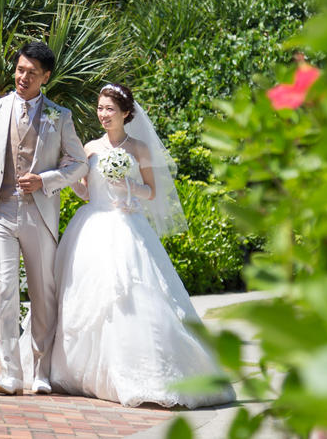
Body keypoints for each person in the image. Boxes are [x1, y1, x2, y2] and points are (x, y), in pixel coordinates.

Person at [48, 83, 236, 408]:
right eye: (100, 108)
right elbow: (84, 191)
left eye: (109, 109)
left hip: (127, 225)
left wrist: (129, 185)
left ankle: (149, 375)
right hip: (92, 225)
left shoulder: (139, 149)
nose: (103, 114)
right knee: (86, 299)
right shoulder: (89, 147)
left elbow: (153, 192)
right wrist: (75, 186)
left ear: (126, 113)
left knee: (136, 298)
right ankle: (81, 374)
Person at [0, 41, 88, 395]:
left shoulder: (60, 116)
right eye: (19, 69)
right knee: (3, 289)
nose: (23, 77)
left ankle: (41, 370)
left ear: (45, 77)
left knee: (42, 294)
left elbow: (79, 164)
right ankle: (10, 373)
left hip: (39, 214)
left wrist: (45, 181)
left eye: (31, 72)